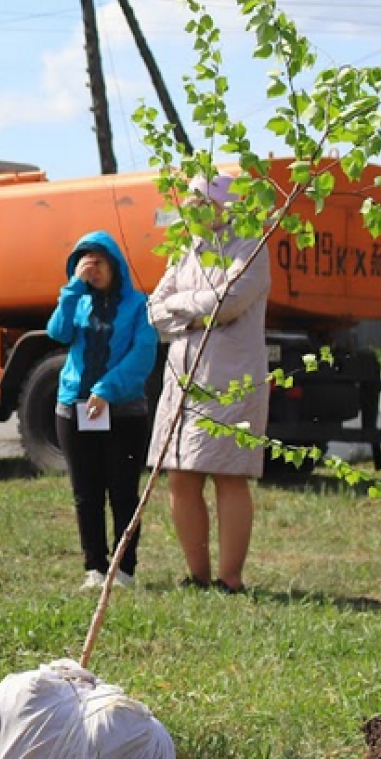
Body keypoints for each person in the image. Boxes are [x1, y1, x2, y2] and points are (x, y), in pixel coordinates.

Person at [146, 172, 270, 595]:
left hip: (229, 381)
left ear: (224, 203)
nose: (194, 206)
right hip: (182, 379)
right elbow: (153, 310)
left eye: (202, 199)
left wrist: (182, 310)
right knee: (181, 474)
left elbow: (230, 303)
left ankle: (230, 579)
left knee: (228, 473)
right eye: (192, 199)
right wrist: (193, 310)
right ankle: (196, 576)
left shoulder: (250, 245)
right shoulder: (184, 249)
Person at [45, 231, 157, 592]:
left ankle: (124, 570)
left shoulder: (139, 305)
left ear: (115, 265)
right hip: (73, 409)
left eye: (99, 262)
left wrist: (106, 390)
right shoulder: (76, 301)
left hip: (124, 413)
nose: (92, 269)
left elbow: (143, 355)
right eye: (85, 262)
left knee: (123, 492)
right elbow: (57, 333)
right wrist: (72, 288)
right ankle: (94, 567)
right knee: (86, 492)